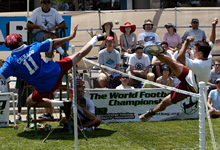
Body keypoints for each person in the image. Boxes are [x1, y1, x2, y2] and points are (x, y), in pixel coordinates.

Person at [0, 24, 106, 120]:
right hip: (55, 71)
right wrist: (71, 37)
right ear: (19, 41)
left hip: (45, 87)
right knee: (79, 54)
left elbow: (1, 75)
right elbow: (54, 42)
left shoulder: (10, 61)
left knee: (29, 102)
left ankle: (62, 104)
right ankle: (96, 38)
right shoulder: (33, 47)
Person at [139, 18, 218, 122]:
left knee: (165, 102)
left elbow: (180, 58)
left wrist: (186, 43)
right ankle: (157, 53)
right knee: (172, 63)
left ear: (200, 54)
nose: (193, 51)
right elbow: (211, 40)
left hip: (189, 87)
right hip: (189, 74)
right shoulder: (207, 53)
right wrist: (213, 25)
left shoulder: (199, 64)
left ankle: (151, 112)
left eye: (195, 50)